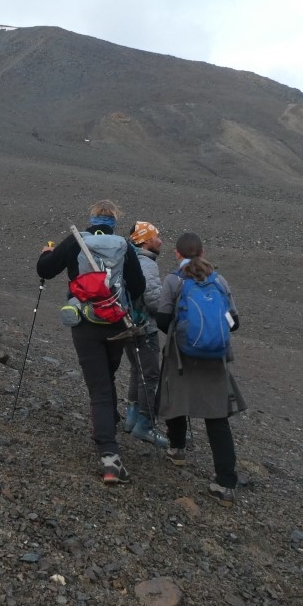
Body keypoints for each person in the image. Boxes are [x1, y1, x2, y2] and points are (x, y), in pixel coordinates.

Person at [37, 200, 146, 485]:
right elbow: (139, 286)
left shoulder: (76, 241)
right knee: (107, 378)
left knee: (98, 387)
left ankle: (109, 456)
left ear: (91, 219)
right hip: (115, 323)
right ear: (114, 221)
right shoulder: (123, 245)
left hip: (84, 323)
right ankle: (107, 430)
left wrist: (46, 254)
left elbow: (46, 270)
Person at [156, 231, 247, 506]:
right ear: (203, 252)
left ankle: (177, 449)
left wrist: (183, 335)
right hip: (215, 360)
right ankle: (225, 483)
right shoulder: (219, 281)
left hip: (182, 357)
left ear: (177, 254)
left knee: (177, 400)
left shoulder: (174, 281)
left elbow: (162, 318)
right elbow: (234, 322)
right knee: (217, 419)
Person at [121, 221, 168, 448]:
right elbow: (153, 298)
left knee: (136, 370)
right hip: (144, 328)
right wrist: (169, 311)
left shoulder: (127, 258)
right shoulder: (146, 263)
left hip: (126, 325)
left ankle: (131, 418)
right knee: (149, 375)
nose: (160, 240)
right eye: (156, 236)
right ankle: (144, 425)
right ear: (146, 240)